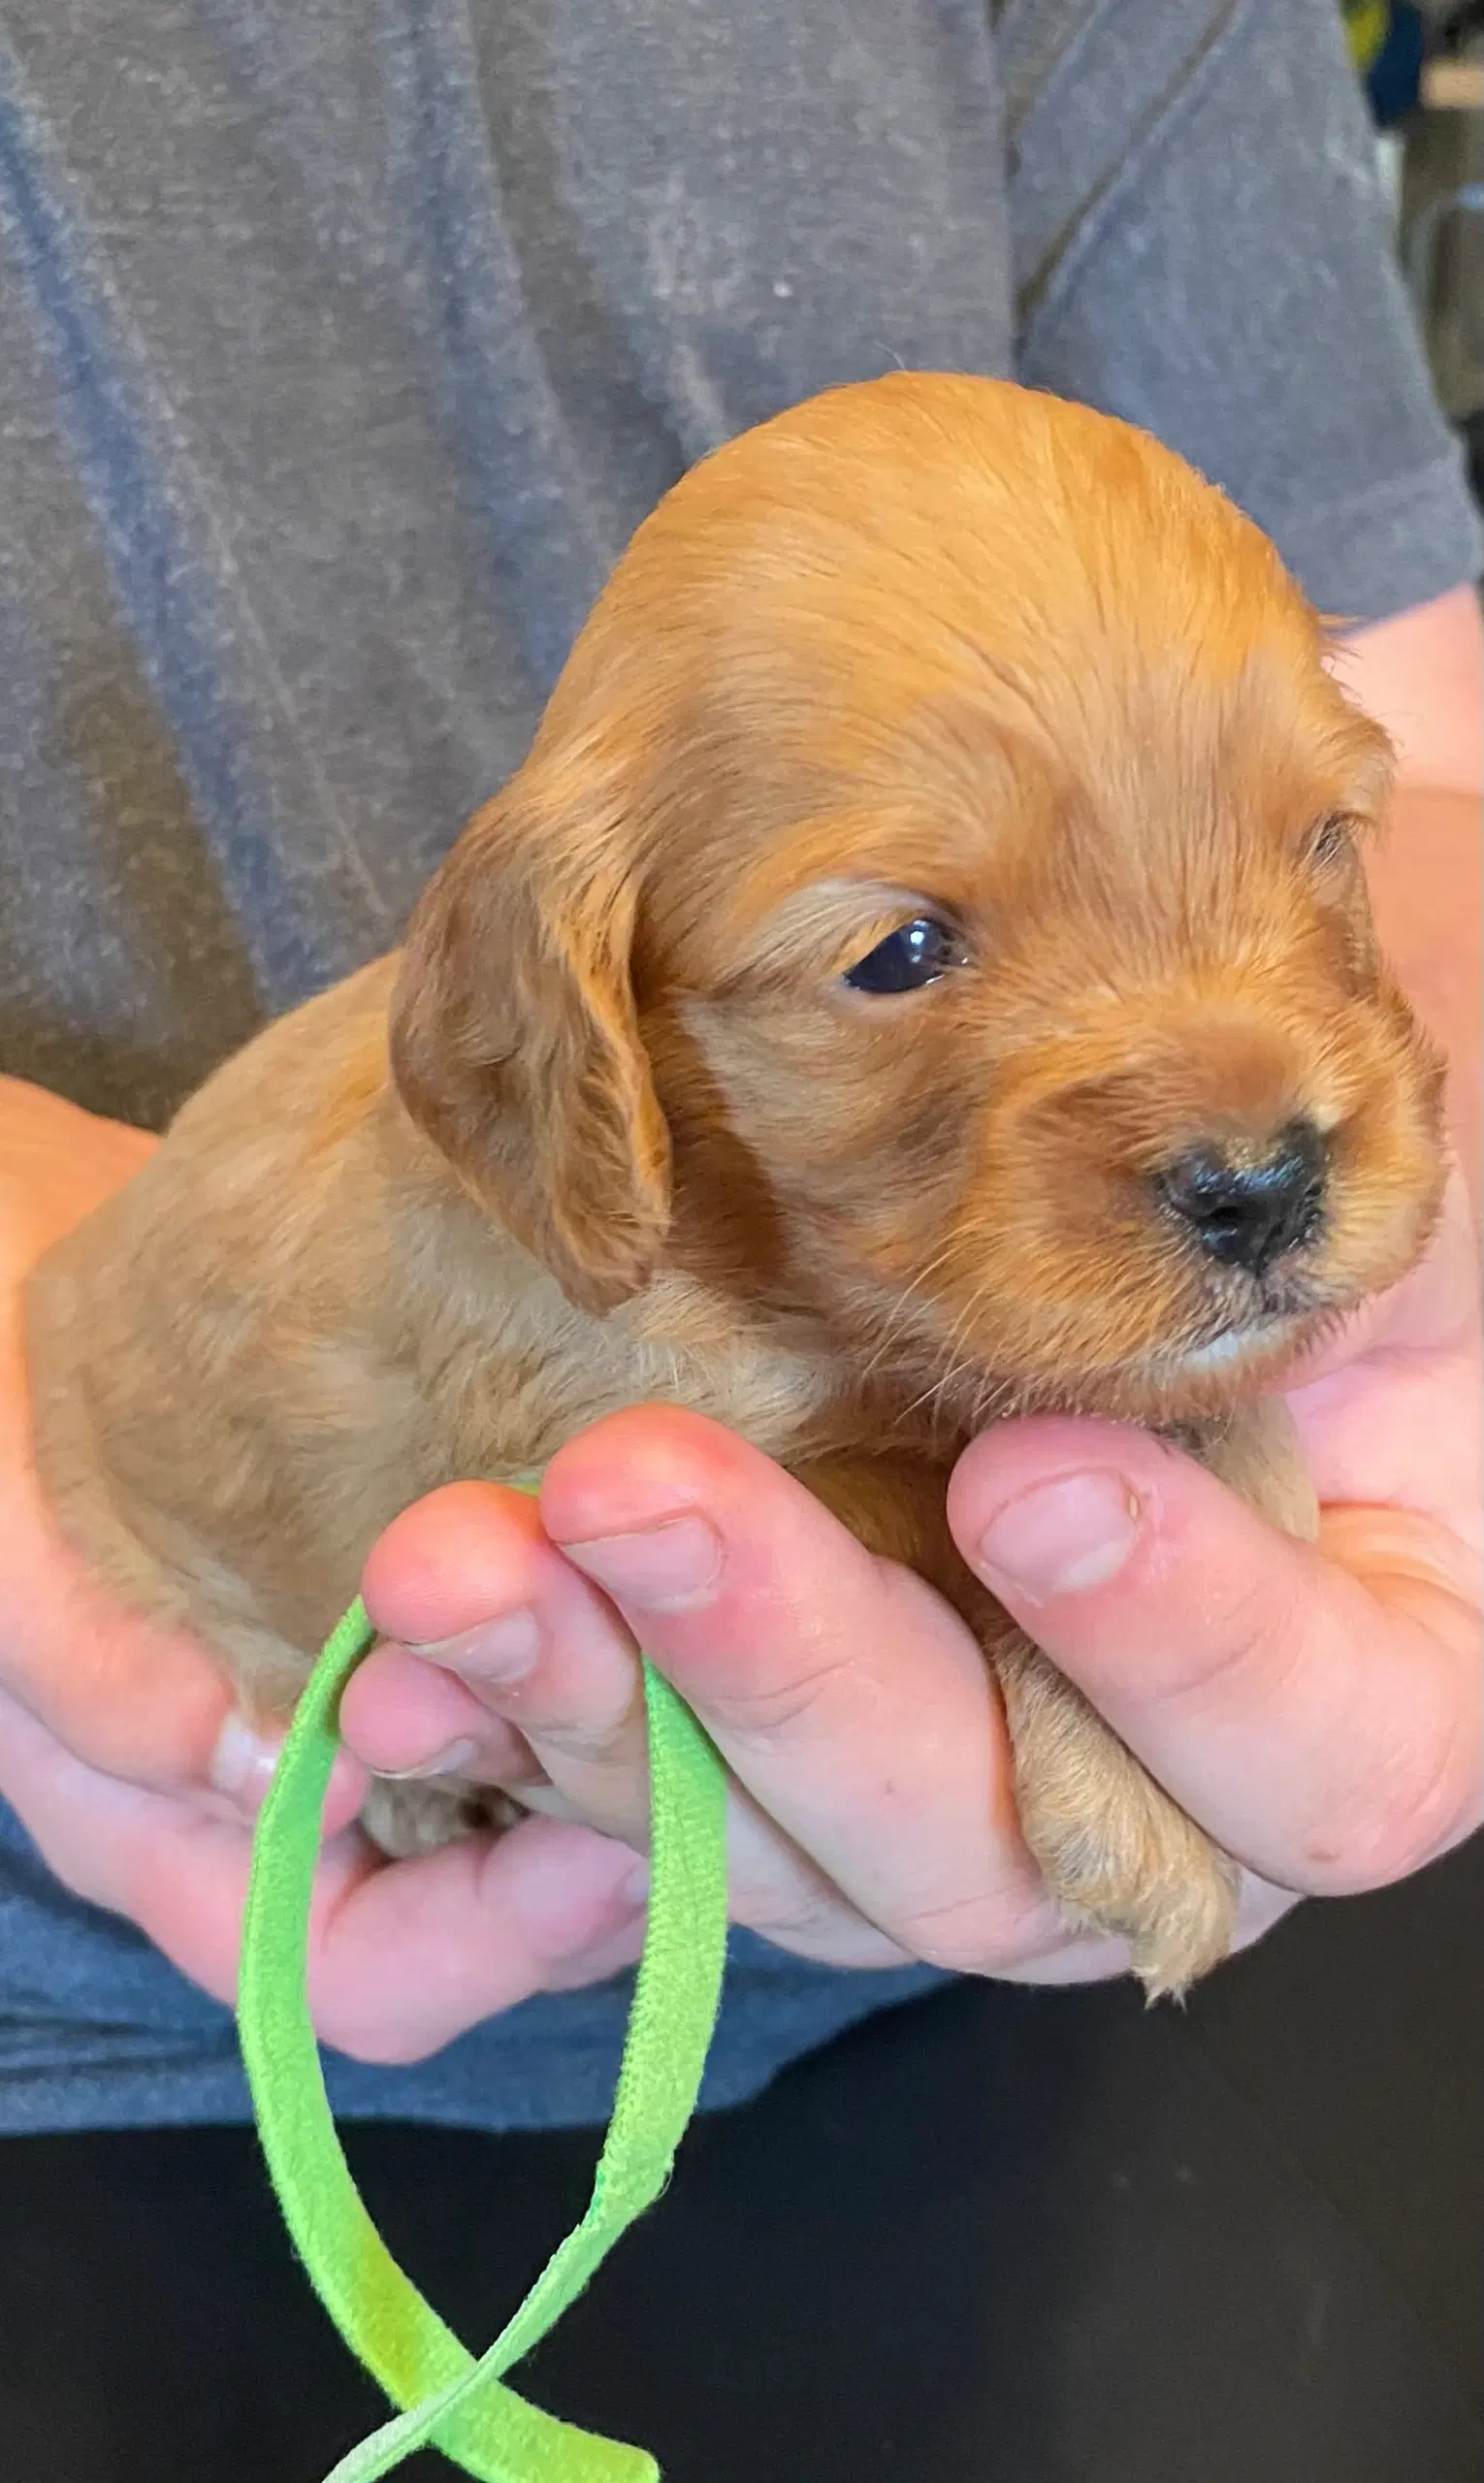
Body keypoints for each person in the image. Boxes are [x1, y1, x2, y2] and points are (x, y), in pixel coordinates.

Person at [0, 0, 1478, 2424]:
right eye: (904, 949)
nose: (1253, 1118)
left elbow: (1435, 753)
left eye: (1283, 840)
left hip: (952, 2025)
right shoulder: (577, 1205)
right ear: (564, 1015)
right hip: (96, 2001)